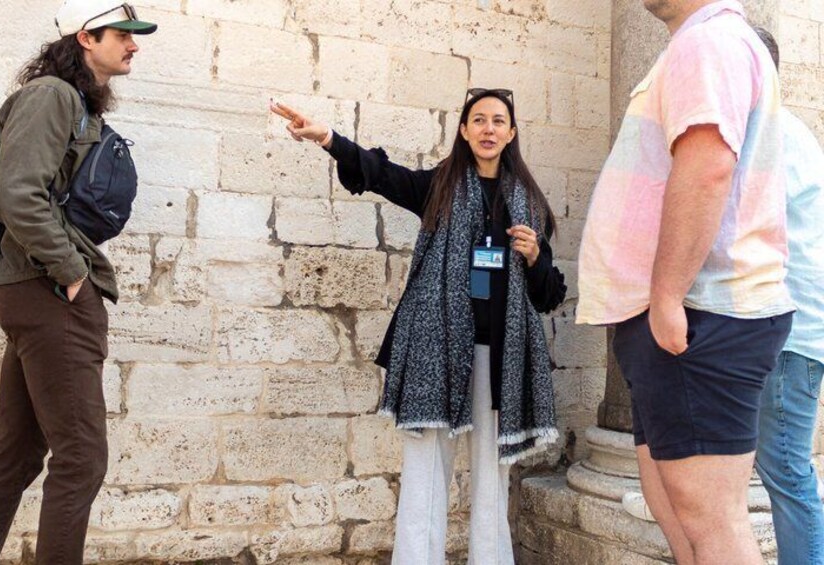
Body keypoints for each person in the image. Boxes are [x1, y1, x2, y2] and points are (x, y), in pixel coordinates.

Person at [271, 89, 566, 564]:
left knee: (492, 481)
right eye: (478, 120)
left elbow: (548, 295)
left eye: (498, 121)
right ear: (464, 130)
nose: (488, 129)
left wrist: (535, 258)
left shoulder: (530, 205)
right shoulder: (440, 187)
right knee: (425, 473)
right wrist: (328, 138)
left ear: (511, 133)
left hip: (500, 358)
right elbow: (382, 175)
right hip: (436, 349)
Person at [577, 1, 794, 564]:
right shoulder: (704, 42)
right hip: (688, 312)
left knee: (711, 520)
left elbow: (707, 168)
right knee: (682, 515)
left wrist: (668, 296)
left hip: (699, 311)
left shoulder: (709, 42)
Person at [0, 2, 156, 563]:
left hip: (38, 290)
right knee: (81, 458)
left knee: (15, 458)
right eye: (122, 34)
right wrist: (74, 274)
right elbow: (17, 196)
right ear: (86, 37)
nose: (134, 45)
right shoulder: (52, 95)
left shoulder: (73, 102)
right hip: (50, 292)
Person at [751, 26, 824, 565]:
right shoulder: (788, 130)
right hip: (796, 330)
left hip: (789, 332)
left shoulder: (770, 134)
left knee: (787, 471)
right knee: (785, 468)